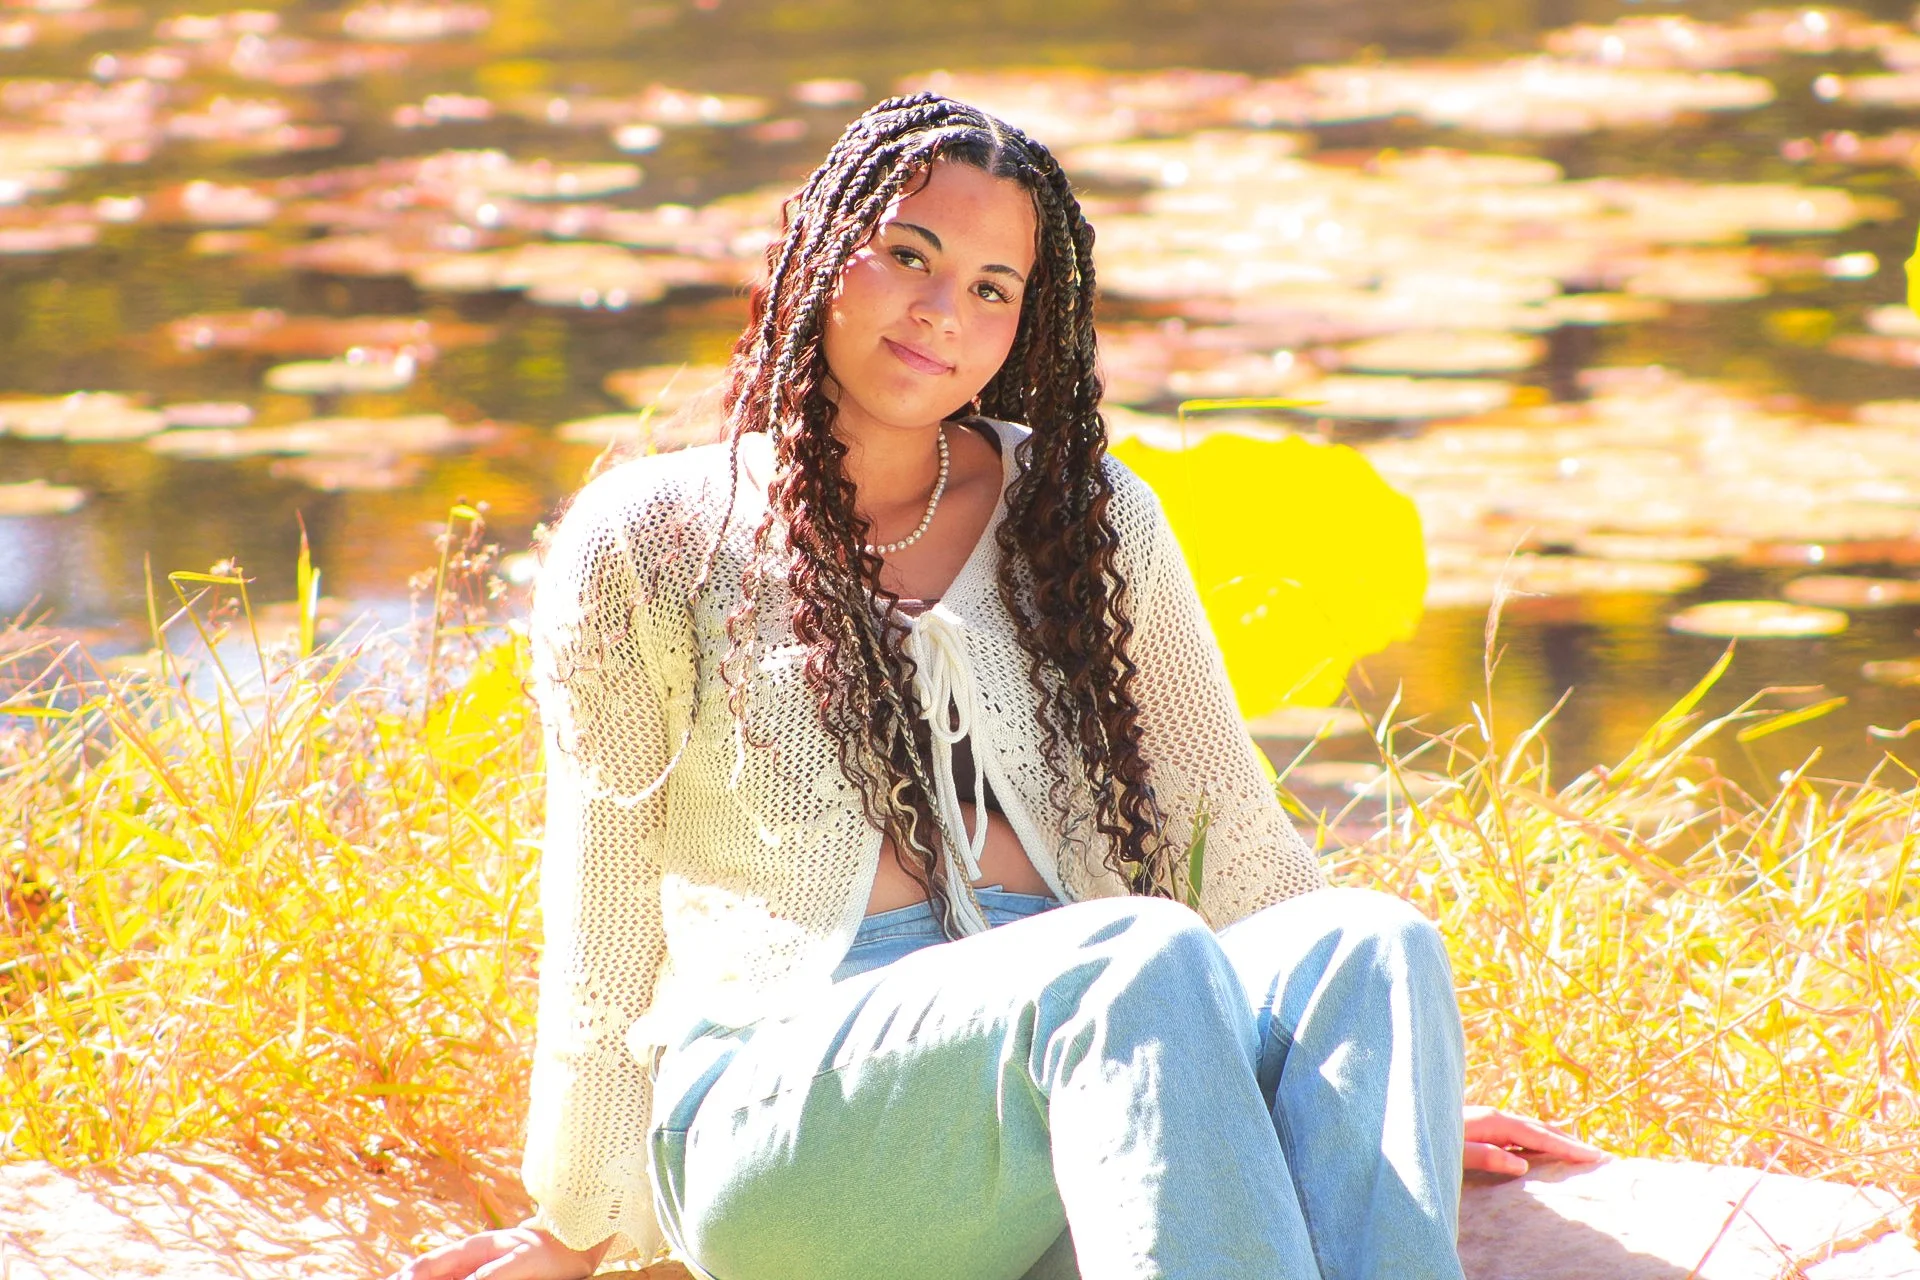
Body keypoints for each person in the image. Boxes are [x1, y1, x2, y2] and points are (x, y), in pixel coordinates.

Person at [391, 93, 1602, 1280]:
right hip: (787, 1119)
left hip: (1082, 1077)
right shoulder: (654, 534)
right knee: (1132, 952)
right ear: (824, 251)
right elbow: (601, 903)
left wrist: (1366, 1100)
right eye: (909, 256)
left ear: (1028, 321)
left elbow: (1228, 825)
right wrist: (579, 1219)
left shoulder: (1084, 514)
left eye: (990, 287)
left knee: (1371, 941)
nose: (942, 312)